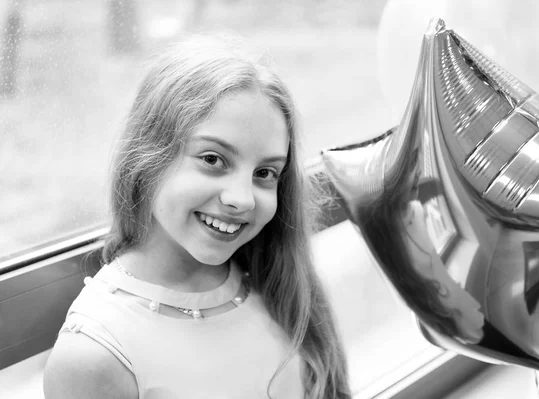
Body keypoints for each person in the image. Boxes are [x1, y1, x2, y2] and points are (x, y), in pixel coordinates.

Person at [43, 35, 350, 399]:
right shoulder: (95, 355)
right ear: (147, 158)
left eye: (265, 173)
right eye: (212, 160)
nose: (242, 199)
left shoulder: (279, 285)